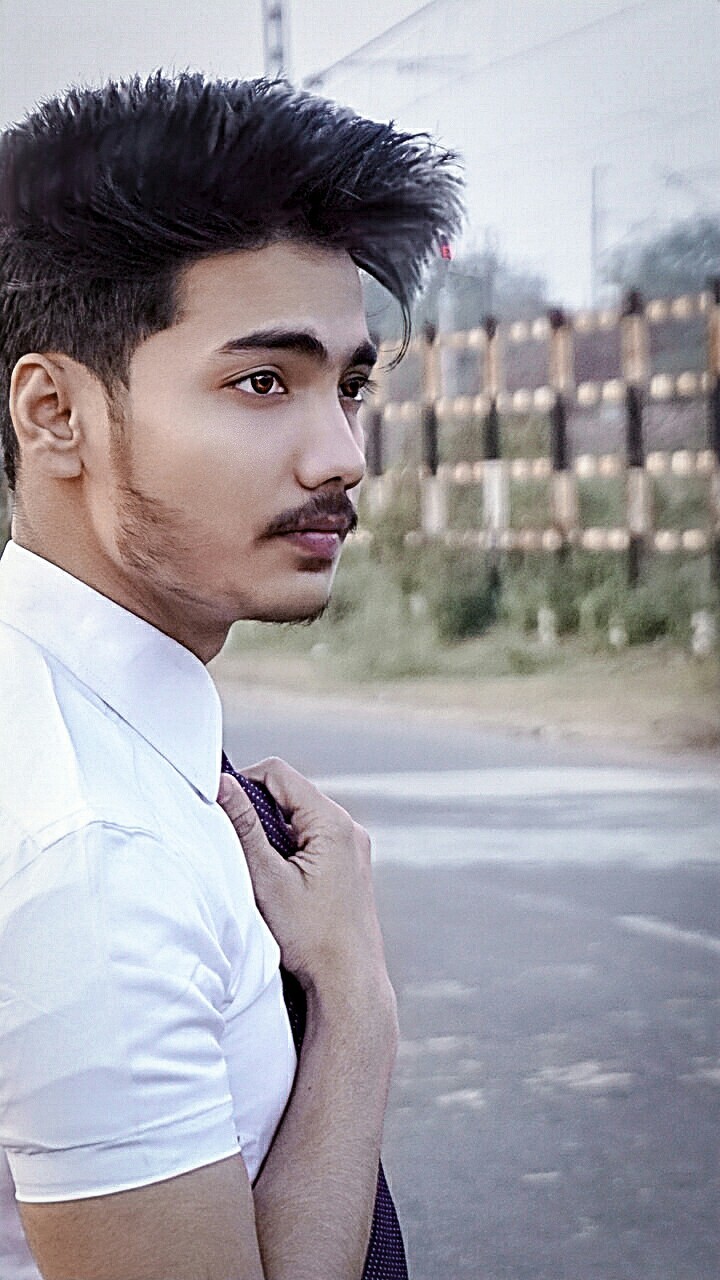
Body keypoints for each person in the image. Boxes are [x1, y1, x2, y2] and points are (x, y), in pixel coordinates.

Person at [0, 72, 462, 1280]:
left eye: (349, 385)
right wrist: (355, 1001)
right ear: (54, 413)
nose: (342, 456)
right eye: (263, 381)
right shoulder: (94, 847)